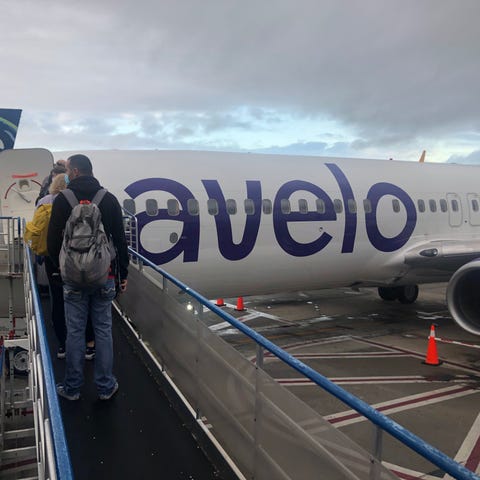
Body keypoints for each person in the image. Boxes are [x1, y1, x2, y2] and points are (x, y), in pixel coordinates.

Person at [47, 154, 129, 401]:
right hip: (104, 276)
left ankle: (72, 388)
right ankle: (105, 386)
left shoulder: (63, 200)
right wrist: (122, 274)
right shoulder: (109, 200)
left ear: (73, 171)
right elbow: (121, 242)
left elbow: (52, 241)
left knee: (75, 332)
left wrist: (61, 268)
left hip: (72, 279)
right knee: (103, 330)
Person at [39, 174, 97, 360]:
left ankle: (63, 346)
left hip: (53, 259)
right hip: (78, 258)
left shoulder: (45, 201)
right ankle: (89, 345)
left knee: (57, 302)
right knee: (83, 302)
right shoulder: (78, 200)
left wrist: (56, 262)